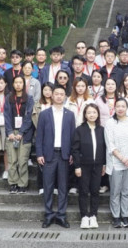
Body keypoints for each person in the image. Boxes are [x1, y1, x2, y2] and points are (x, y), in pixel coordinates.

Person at [37, 85, 76, 229]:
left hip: (64, 154)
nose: (59, 96)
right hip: (49, 154)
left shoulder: (70, 115)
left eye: (62, 94)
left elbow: (73, 136)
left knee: (63, 186)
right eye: (56, 94)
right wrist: (39, 153)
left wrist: (72, 152)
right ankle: (48, 215)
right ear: (52, 96)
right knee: (48, 186)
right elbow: (39, 135)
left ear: (65, 96)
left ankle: (61, 215)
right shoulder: (44, 114)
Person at [72, 104, 106, 229]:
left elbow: (104, 148)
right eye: (89, 112)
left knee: (95, 191)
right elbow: (75, 149)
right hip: (83, 166)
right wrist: (77, 166)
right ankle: (84, 217)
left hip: (98, 165)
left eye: (94, 112)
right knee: (83, 191)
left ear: (97, 114)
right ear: (85, 115)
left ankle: (93, 215)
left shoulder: (101, 129)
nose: (92, 114)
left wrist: (104, 164)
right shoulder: (80, 130)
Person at [106, 98, 128, 228]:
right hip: (115, 162)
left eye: (123, 106)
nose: (120, 108)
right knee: (115, 191)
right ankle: (116, 217)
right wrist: (122, 158)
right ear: (114, 108)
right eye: (118, 106)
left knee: (126, 191)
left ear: (127, 108)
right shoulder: (110, 122)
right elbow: (110, 143)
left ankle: (125, 216)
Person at [3, 75, 34, 194]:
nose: (18, 85)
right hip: (11, 132)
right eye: (16, 82)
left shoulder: (29, 98)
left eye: (20, 82)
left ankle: (22, 183)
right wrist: (10, 132)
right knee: (12, 160)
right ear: (13, 84)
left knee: (22, 160)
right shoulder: (8, 98)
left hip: (25, 134)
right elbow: (6, 115)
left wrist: (21, 132)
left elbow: (29, 117)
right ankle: (13, 182)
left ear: (24, 84)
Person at [34, 83, 55, 194]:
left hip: (55, 136)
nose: (47, 92)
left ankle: (54, 185)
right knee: (41, 161)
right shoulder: (38, 104)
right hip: (41, 134)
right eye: (45, 90)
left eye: (49, 90)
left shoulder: (56, 104)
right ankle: (41, 185)